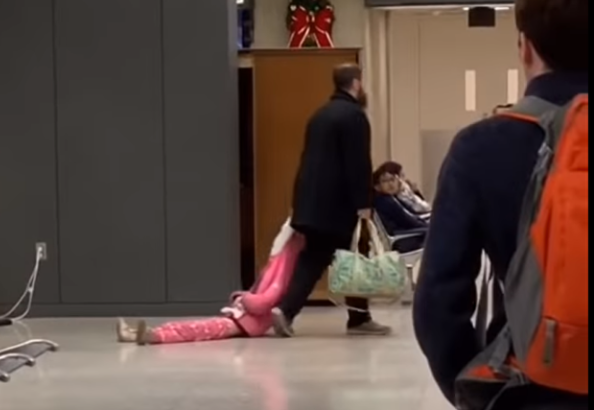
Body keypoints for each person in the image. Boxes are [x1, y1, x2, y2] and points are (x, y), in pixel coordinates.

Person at [413, 0, 588, 409]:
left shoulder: (481, 146)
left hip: (533, 384)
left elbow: (438, 301)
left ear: (525, 47)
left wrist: (471, 386)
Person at [271, 63, 391, 337]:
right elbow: (357, 163)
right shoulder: (353, 116)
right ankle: (289, 310)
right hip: (338, 206)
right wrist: (364, 204)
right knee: (335, 258)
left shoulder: (320, 115)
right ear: (357, 84)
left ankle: (357, 317)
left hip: (312, 202)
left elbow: (308, 161)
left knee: (331, 258)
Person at [117, 223, 303, 345]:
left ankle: (154, 335)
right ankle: (136, 333)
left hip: (246, 324)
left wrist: (242, 297)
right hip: (241, 319)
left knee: (198, 329)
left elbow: (265, 301)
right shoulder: (278, 267)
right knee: (196, 327)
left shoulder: (284, 269)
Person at [371, 165, 428, 254]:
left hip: (406, 234)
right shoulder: (386, 202)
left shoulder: (392, 198)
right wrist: (429, 226)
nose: (390, 184)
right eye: (385, 181)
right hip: (404, 239)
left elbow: (412, 214)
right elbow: (409, 221)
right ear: (377, 186)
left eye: (393, 179)